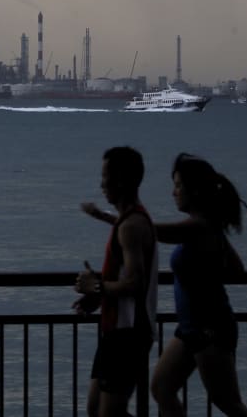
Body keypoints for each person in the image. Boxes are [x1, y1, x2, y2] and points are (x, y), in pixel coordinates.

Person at [149, 153, 247, 417]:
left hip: (210, 328)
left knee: (227, 401)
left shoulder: (199, 227)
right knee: (162, 387)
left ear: (194, 191)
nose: (173, 193)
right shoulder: (210, 228)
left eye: (178, 186)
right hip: (192, 326)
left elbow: (156, 232)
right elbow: (236, 269)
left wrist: (114, 219)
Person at [75, 146, 158, 417]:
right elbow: (125, 280)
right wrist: (100, 296)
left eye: (105, 176)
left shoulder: (132, 226)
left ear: (121, 179)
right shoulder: (127, 221)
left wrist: (96, 287)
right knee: (96, 409)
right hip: (116, 330)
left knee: (108, 413)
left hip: (129, 333)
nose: (101, 185)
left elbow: (135, 283)